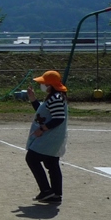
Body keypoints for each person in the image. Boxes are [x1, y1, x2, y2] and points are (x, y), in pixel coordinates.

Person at [26, 70, 69, 204]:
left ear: (50, 85)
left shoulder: (56, 98)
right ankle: (55, 194)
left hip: (50, 137)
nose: (42, 85)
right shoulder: (54, 97)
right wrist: (33, 99)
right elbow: (43, 113)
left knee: (32, 158)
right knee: (51, 163)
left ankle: (46, 191)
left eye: (44, 83)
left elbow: (58, 118)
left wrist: (42, 129)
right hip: (53, 137)